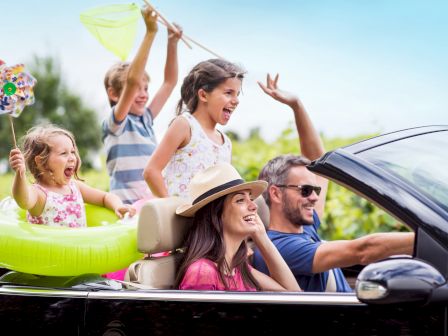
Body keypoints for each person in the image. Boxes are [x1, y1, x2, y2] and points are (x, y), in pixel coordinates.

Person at [252, 75, 414, 292]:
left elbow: (319, 162)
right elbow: (364, 250)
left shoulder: (305, 227)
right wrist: (434, 239)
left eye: (315, 190)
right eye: (306, 190)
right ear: (276, 194)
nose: (315, 197)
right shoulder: (278, 247)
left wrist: (297, 106)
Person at [174, 162, 301, 292]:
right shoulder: (202, 273)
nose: (254, 206)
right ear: (216, 214)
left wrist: (262, 236)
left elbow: (292, 295)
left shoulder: (237, 269)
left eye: (250, 198)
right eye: (240, 200)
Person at [102, 6, 182, 205]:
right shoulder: (115, 123)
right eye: (138, 89)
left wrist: (172, 43)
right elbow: (132, 80)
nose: (144, 95)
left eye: (146, 88)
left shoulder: (146, 118)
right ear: (113, 94)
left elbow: (169, 82)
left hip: (151, 205)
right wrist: (150, 33)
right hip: (127, 207)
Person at [143, 59, 244, 199]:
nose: (236, 100)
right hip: (180, 217)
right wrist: (171, 208)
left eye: (237, 94)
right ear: (203, 95)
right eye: (228, 93)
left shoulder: (226, 143)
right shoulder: (185, 125)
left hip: (208, 220)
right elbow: (151, 171)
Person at [8, 125, 135, 227]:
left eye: (73, 152)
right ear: (41, 162)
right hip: (51, 255)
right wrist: (20, 173)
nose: (72, 158)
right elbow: (23, 200)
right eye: (64, 153)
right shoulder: (39, 194)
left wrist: (118, 206)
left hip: (78, 253)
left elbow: (105, 197)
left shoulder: (75, 187)